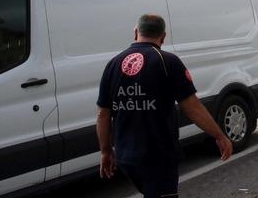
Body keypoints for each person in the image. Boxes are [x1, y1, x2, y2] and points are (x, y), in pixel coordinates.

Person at [96, 14, 233, 198]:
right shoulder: (167, 61)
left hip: (125, 156)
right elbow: (192, 106)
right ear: (163, 36)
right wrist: (219, 135)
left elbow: (103, 114)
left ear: (136, 32)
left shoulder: (113, 64)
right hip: (158, 155)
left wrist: (105, 151)